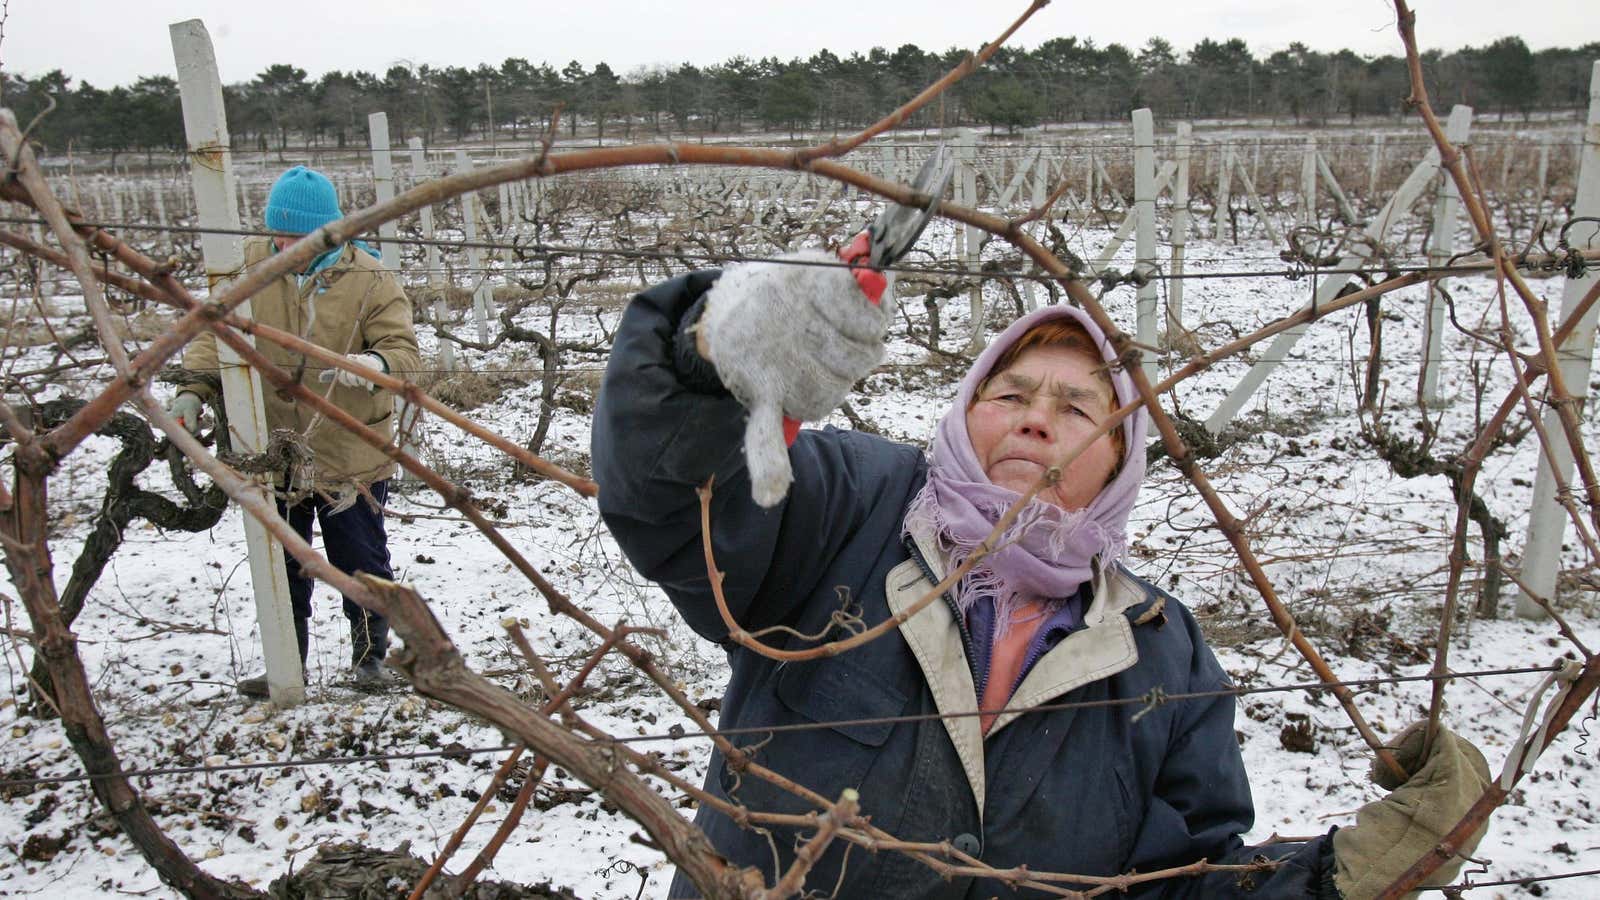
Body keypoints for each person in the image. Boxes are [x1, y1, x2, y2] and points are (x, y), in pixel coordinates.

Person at [592, 258, 1491, 898]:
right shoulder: (852, 507)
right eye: (1010, 396)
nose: (1035, 423)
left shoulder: (1162, 655)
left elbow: (1180, 881)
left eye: (1077, 408)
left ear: (1122, 454)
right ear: (965, 415)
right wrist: (708, 354)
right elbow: (675, 499)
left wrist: (1340, 879)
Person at [169, 165, 420, 696]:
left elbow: (405, 357)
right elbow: (213, 335)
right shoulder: (248, 270)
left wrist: (370, 365)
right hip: (269, 451)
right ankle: (289, 664)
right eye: (279, 234)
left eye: (298, 236)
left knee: (361, 561)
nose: (286, 244)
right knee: (280, 562)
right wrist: (193, 388)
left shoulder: (371, 279)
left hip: (350, 451)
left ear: (329, 231)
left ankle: (371, 660)